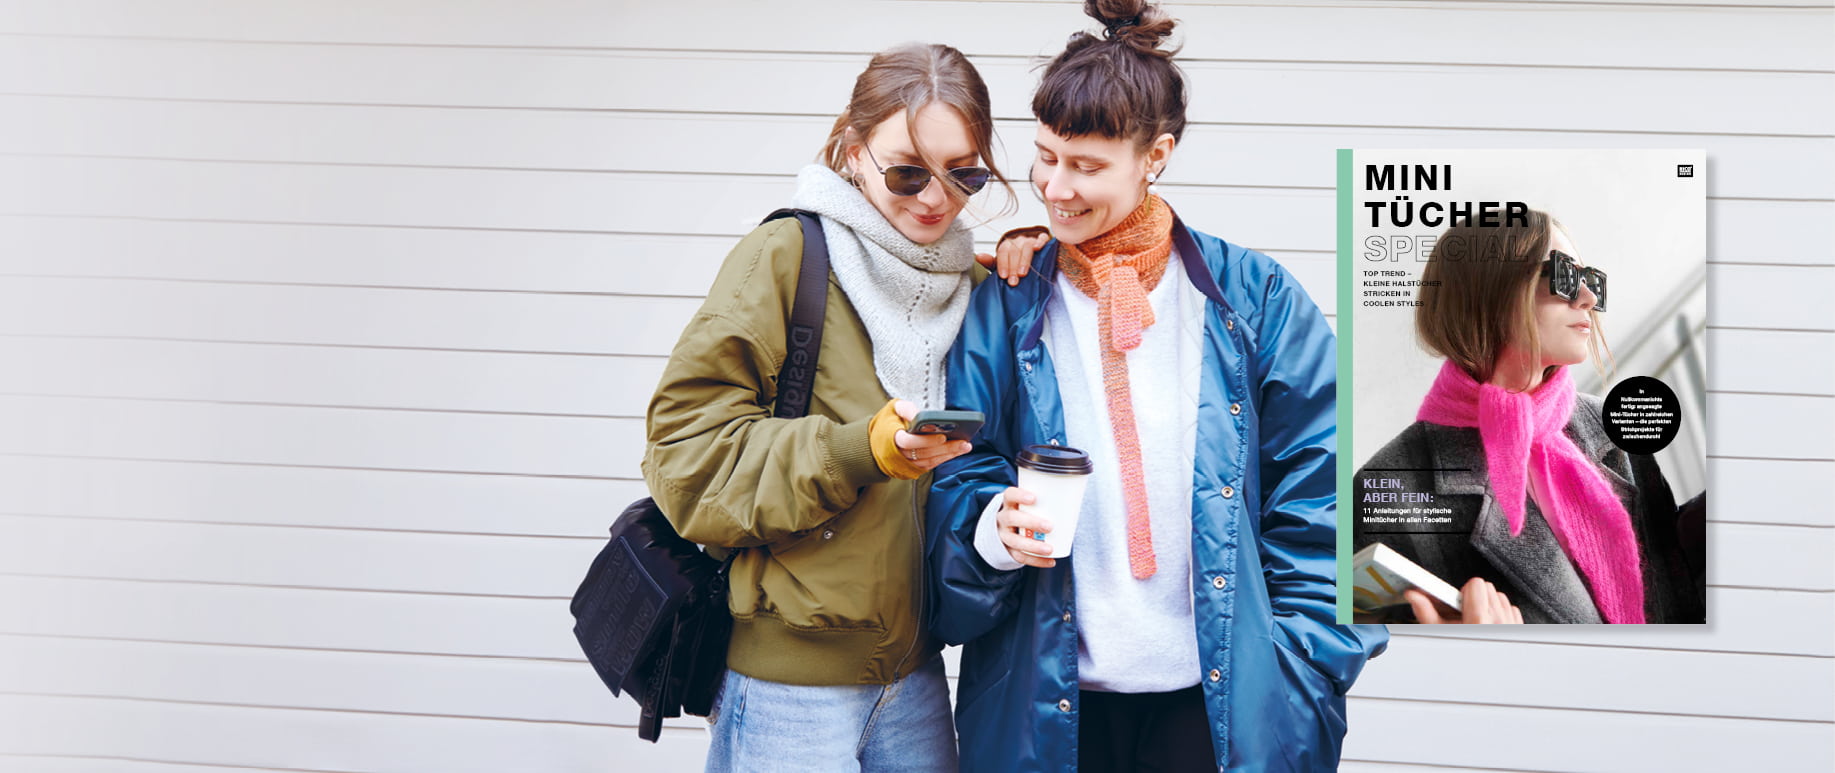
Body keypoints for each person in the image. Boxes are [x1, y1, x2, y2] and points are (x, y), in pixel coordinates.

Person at [926, 3, 1389, 770]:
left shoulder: (1255, 298)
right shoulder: (1006, 302)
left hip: (1219, 710)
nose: (1055, 187)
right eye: (1045, 156)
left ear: (1156, 155)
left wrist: (1303, 670)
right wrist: (989, 529)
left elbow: (1327, 499)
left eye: (1086, 166)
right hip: (1046, 713)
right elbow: (954, 471)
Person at [642, 42, 1012, 772]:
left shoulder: (974, 283)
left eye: (963, 173)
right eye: (907, 172)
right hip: (787, 687)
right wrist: (855, 451)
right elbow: (684, 458)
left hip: (914, 677)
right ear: (851, 150)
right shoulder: (786, 257)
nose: (935, 198)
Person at [1351, 211, 1705, 625]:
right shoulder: (1391, 486)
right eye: (1564, 276)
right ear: (1488, 290)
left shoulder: (1610, 428)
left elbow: (1674, 582)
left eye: (1590, 279)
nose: (1588, 299)